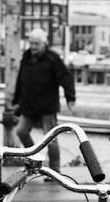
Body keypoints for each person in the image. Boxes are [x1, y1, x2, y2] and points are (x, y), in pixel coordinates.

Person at [11, 27, 75, 171]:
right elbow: (21, 79)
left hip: (47, 106)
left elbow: (65, 78)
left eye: (36, 44)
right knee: (21, 131)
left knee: (51, 139)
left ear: (44, 44)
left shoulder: (52, 58)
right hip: (28, 105)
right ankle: (35, 159)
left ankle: (54, 170)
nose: (33, 47)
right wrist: (16, 101)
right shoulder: (26, 57)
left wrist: (70, 98)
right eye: (31, 43)